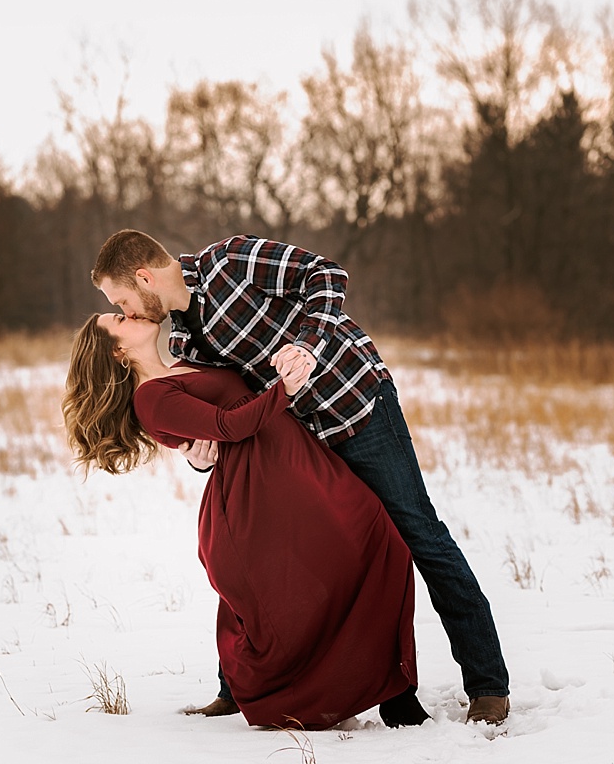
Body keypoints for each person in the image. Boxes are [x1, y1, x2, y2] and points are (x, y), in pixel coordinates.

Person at [91, 230, 511, 725]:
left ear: (144, 277)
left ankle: (487, 685)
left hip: (356, 410)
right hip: (304, 448)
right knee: (268, 563)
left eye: (122, 300)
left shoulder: (231, 261)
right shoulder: (182, 340)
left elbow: (327, 276)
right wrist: (199, 459)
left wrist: (308, 346)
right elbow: (216, 414)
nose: (129, 312)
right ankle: (244, 686)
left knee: (419, 535)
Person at [62, 311, 430, 731]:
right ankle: (372, 696)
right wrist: (285, 389)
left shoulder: (182, 365)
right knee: (348, 563)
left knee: (381, 545)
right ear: (118, 350)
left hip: (289, 464)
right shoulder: (150, 397)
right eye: (119, 317)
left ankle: (394, 691)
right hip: (262, 489)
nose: (130, 313)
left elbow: (213, 429)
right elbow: (229, 425)